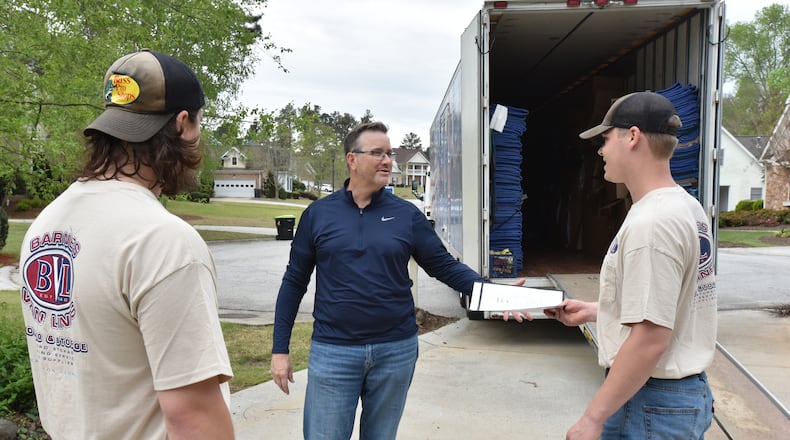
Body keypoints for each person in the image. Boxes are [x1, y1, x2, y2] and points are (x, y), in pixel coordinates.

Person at [18, 49, 234, 439]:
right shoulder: (164, 241)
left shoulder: (47, 223)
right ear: (183, 123)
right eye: (200, 123)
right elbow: (193, 418)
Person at [271, 121, 503, 439]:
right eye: (377, 153)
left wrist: (492, 294)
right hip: (334, 351)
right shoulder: (318, 214)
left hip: (396, 351)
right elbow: (294, 282)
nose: (387, 161)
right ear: (352, 159)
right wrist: (279, 350)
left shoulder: (407, 215)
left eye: (390, 153)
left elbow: (445, 267)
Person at [507, 91, 717, 439]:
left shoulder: (653, 223)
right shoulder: (685, 207)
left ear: (632, 137)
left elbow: (650, 339)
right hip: (671, 396)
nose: (601, 151)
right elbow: (673, 305)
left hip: (651, 403)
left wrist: (592, 418)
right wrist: (594, 311)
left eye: (605, 139)